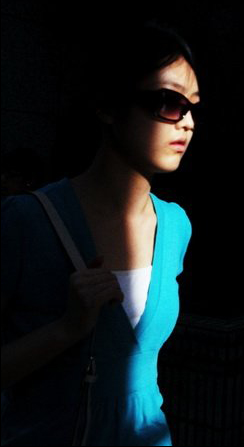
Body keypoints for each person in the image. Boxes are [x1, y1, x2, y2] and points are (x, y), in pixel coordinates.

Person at [1, 23, 200, 445]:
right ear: (108, 106)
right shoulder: (26, 221)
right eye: (170, 102)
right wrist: (66, 329)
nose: (187, 123)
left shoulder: (175, 226)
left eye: (193, 107)